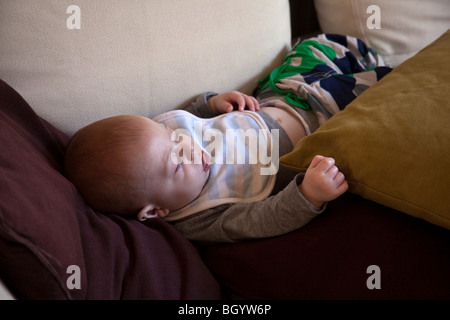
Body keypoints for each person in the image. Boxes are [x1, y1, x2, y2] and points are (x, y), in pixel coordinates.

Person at [64, 34, 391, 244]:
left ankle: (366, 56)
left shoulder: (162, 138)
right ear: (155, 212)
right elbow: (262, 220)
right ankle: (387, 73)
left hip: (277, 97)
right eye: (178, 165)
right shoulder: (200, 219)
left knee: (317, 47)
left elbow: (190, 113)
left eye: (173, 136)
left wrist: (212, 103)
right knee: (384, 98)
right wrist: (308, 195)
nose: (189, 147)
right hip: (321, 126)